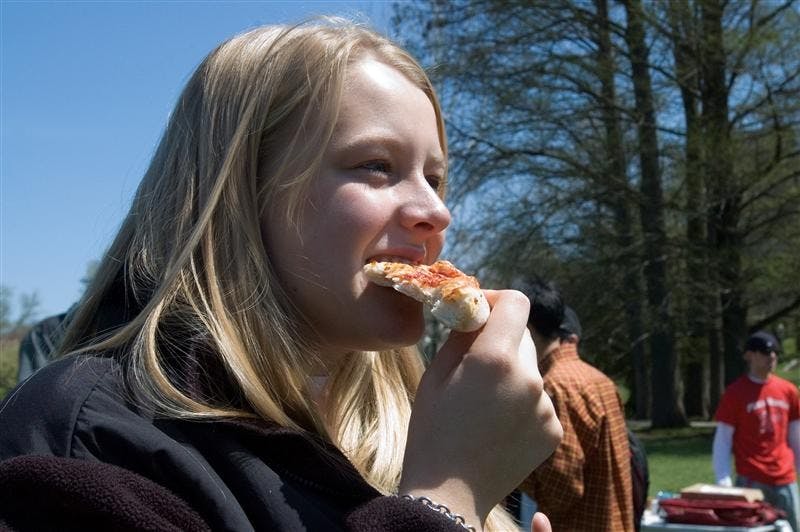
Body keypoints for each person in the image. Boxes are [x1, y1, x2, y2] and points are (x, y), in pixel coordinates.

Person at [0, 19, 563, 532]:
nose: (437, 212)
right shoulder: (86, 446)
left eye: (434, 178)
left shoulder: (408, 427)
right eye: (376, 165)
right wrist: (446, 500)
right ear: (239, 192)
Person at [519, 280, 634, 531]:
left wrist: (508, 461)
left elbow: (561, 491)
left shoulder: (553, 388)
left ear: (527, 328)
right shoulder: (598, 378)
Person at [712, 330, 800, 531]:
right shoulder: (735, 393)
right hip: (751, 479)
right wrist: (723, 479)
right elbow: (723, 440)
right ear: (749, 356)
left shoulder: (789, 391)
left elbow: (796, 435)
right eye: (765, 352)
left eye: (774, 352)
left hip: (785, 478)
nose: (772, 357)